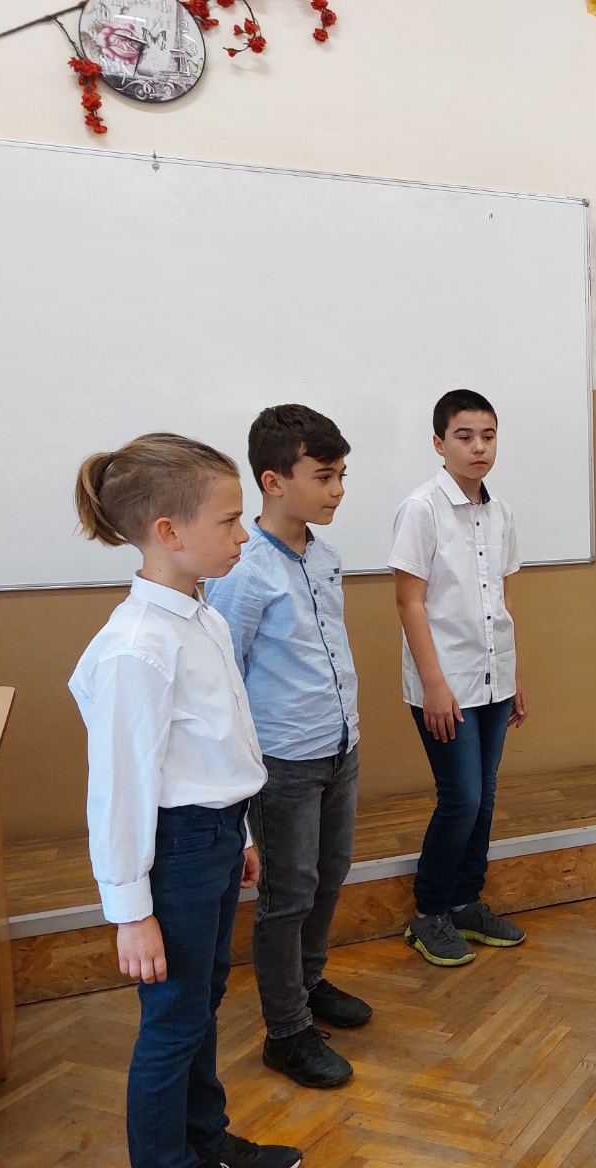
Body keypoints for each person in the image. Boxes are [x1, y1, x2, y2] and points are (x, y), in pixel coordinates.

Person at [69, 433, 302, 1168]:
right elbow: (120, 790)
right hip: (173, 850)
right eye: (229, 521)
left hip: (212, 837)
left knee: (201, 1003)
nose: (244, 535)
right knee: (172, 1024)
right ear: (169, 532)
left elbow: (214, 745)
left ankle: (204, 1146)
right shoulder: (137, 648)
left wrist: (238, 833)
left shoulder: (199, 616)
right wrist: (131, 912)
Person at [206, 405, 370, 1090]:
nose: (338, 490)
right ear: (274, 482)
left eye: (341, 475)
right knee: (287, 894)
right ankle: (286, 1030)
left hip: (338, 747)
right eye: (324, 477)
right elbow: (225, 679)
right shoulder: (244, 572)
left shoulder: (325, 558)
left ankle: (308, 981)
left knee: (330, 874)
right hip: (283, 763)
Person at [390, 389, 528, 966]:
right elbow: (409, 602)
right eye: (465, 437)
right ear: (439, 443)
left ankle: (466, 902)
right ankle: (429, 913)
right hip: (445, 684)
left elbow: (501, 598)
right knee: (461, 799)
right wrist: (434, 686)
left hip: (494, 678)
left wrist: (513, 675)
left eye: (488, 436)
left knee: (485, 798)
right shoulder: (421, 509)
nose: (478, 448)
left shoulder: (500, 512)